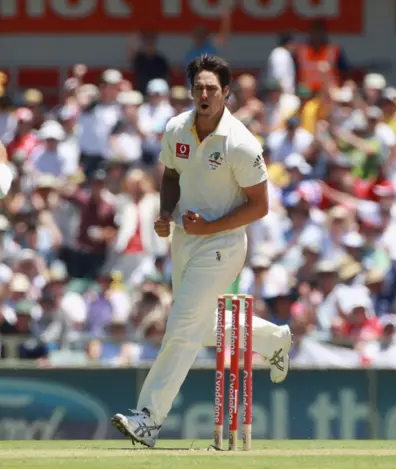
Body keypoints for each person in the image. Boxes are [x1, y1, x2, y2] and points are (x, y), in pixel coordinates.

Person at [111, 54, 292, 447]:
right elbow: (171, 176)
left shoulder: (241, 143)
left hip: (224, 243)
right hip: (184, 239)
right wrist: (163, 213)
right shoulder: (176, 127)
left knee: (180, 326)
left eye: (212, 88)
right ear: (191, 91)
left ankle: (149, 419)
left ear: (226, 93)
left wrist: (210, 227)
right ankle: (270, 339)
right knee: (197, 326)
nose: (205, 94)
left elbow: (259, 206)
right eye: (199, 88)